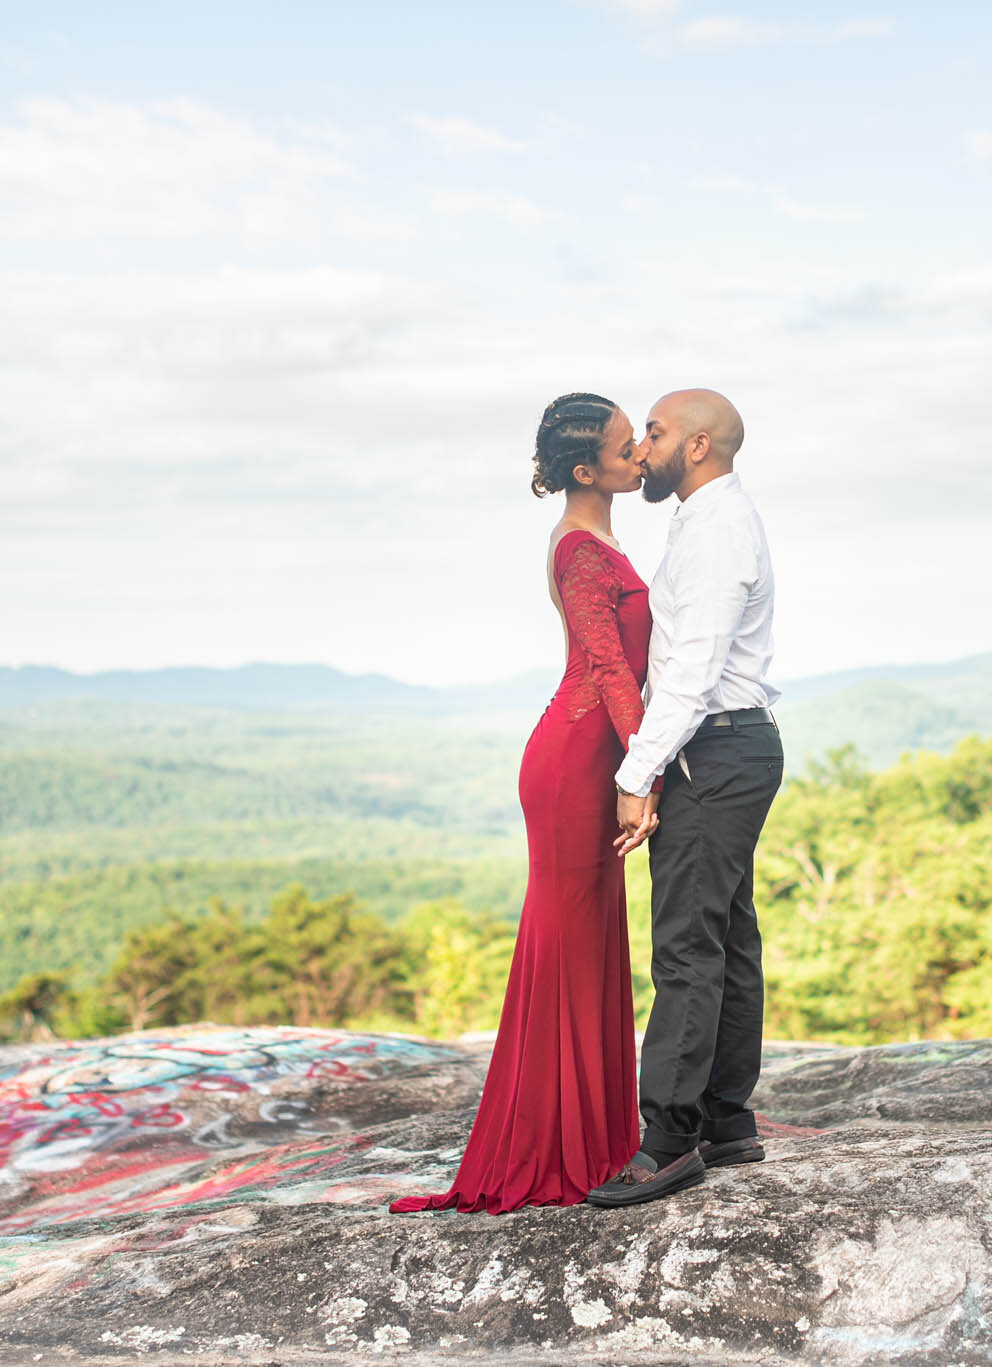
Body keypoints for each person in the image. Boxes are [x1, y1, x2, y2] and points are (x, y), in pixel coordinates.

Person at [388, 393, 651, 1213]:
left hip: (587, 754)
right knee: (570, 950)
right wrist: (640, 774)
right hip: (577, 765)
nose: (640, 451)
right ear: (586, 469)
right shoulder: (581, 551)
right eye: (623, 443)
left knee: (588, 945)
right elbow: (609, 670)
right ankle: (556, 1148)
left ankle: (598, 1136)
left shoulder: (598, 536)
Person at [587, 388, 782, 1209]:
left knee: (686, 946)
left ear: (697, 446)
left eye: (655, 434)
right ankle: (726, 1120)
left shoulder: (716, 531)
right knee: (728, 933)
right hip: (736, 743)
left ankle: (668, 1142)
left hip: (714, 745)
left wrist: (637, 774)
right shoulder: (709, 521)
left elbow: (694, 666)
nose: (643, 450)